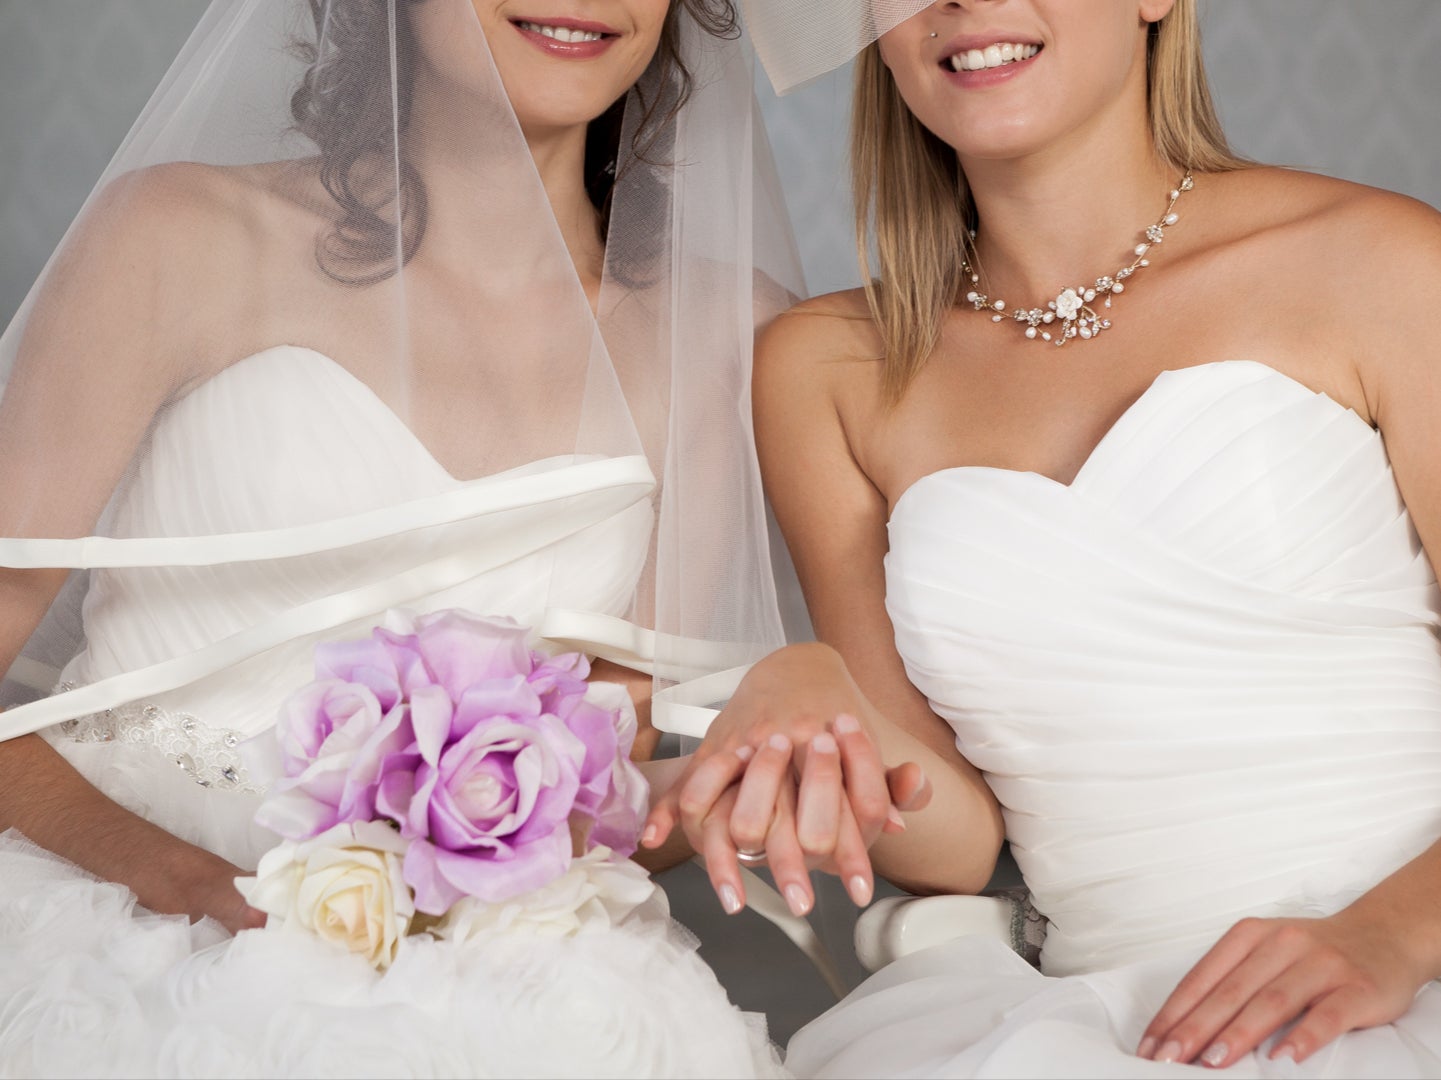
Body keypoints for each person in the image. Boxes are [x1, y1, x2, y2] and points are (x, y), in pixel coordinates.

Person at [0, 0, 803, 1074]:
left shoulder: (720, 338)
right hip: (113, 906)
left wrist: (756, 755)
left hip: (491, 959)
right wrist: (179, 882)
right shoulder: (176, 237)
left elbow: (607, 774)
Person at [650, 0, 1441, 1074]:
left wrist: (1390, 935)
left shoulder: (1379, 264)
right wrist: (810, 685)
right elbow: (959, 839)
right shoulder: (824, 369)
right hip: (1095, 1029)